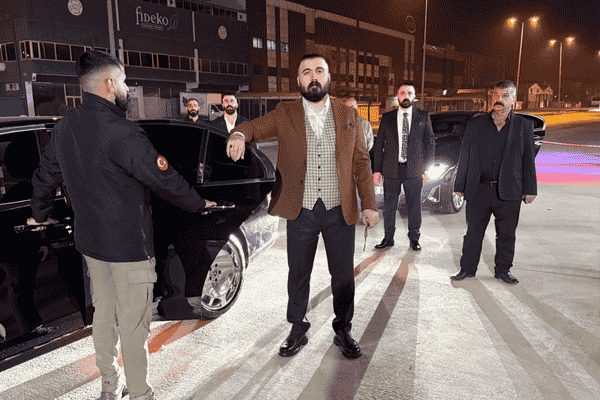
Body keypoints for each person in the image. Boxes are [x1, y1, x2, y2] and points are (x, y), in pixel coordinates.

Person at [28, 50, 215, 400]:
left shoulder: (65, 126)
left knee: (104, 316)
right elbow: (162, 178)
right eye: (125, 82)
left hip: (92, 246)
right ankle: (140, 393)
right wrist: (198, 203)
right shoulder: (122, 132)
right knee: (133, 325)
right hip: (129, 248)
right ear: (110, 84)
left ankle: (109, 387)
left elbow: (45, 176)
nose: (127, 88)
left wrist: (39, 215)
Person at [226, 54, 379, 359]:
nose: (313, 76)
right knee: (298, 272)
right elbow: (254, 127)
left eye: (319, 71)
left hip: (340, 209)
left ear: (328, 77)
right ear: (298, 80)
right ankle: (298, 327)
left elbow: (362, 162)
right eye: (306, 72)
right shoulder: (285, 112)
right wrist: (239, 134)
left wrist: (370, 204)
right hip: (301, 209)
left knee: (343, 275)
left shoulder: (349, 115)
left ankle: (343, 328)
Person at [451, 80, 537, 284]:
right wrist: (459, 185)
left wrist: (530, 189)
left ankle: (503, 270)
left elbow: (528, 160)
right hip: (479, 189)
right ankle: (467, 269)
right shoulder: (476, 124)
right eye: (496, 95)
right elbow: (465, 156)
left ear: (514, 99)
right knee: (473, 233)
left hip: (509, 191)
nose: (499, 99)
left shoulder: (524, 126)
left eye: (505, 95)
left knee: (506, 234)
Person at [372, 83, 435, 251]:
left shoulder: (423, 116)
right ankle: (388, 238)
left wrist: (428, 168)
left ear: (414, 96)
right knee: (389, 207)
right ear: (397, 96)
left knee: (414, 207)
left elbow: (430, 143)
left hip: (414, 170)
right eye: (402, 93)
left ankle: (414, 238)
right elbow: (379, 145)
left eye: (409, 93)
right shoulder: (388, 117)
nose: (405, 95)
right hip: (391, 170)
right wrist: (377, 170)